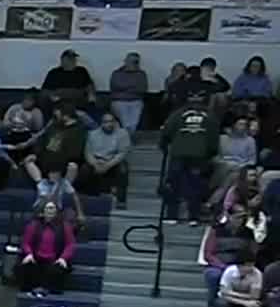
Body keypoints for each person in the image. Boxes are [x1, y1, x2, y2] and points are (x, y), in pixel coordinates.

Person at [161, 96, 219, 225]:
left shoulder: (178, 114)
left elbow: (166, 131)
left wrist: (163, 146)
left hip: (179, 154)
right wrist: (210, 153)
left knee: (173, 185)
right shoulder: (210, 116)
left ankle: (171, 216)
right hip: (200, 155)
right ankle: (193, 217)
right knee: (195, 186)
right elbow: (214, 138)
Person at [18, 201, 75, 296]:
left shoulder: (65, 226)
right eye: (48, 208)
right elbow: (26, 242)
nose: (50, 210)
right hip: (36, 259)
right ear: (43, 211)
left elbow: (70, 245)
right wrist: (29, 254)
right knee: (27, 266)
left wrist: (63, 258)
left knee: (57, 271)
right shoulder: (34, 225)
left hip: (55, 260)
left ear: (56, 211)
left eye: (52, 208)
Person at [25, 105, 86, 185]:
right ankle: (41, 184)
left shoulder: (78, 130)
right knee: (29, 160)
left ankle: (62, 189)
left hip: (63, 160)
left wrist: (56, 160)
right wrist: (34, 154)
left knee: (72, 166)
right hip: (46, 156)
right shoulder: (54, 125)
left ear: (66, 116)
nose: (54, 118)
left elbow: (74, 152)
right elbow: (42, 141)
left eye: (57, 116)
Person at [82, 111, 132, 207]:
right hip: (97, 160)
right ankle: (86, 196)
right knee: (84, 169)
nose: (109, 124)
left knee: (123, 169)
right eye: (106, 122)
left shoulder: (123, 133)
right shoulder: (92, 134)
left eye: (111, 121)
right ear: (101, 123)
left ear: (115, 122)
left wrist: (108, 165)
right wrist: (95, 164)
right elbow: (88, 152)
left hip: (113, 160)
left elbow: (122, 153)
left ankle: (121, 201)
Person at [108, 52, 149, 133]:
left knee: (133, 123)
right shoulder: (117, 73)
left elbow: (142, 89)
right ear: (126, 61)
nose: (134, 64)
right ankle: (128, 134)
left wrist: (124, 89)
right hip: (119, 101)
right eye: (132, 61)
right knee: (126, 121)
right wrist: (133, 87)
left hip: (136, 101)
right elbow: (115, 86)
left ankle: (127, 135)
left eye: (136, 62)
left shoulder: (141, 74)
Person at [218, 116, 259, 188]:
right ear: (234, 125)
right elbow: (218, 156)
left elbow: (252, 160)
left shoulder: (250, 140)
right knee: (228, 171)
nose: (242, 127)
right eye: (240, 124)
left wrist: (240, 166)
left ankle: (217, 190)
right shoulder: (223, 138)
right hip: (224, 166)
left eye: (245, 125)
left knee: (233, 175)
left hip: (241, 167)